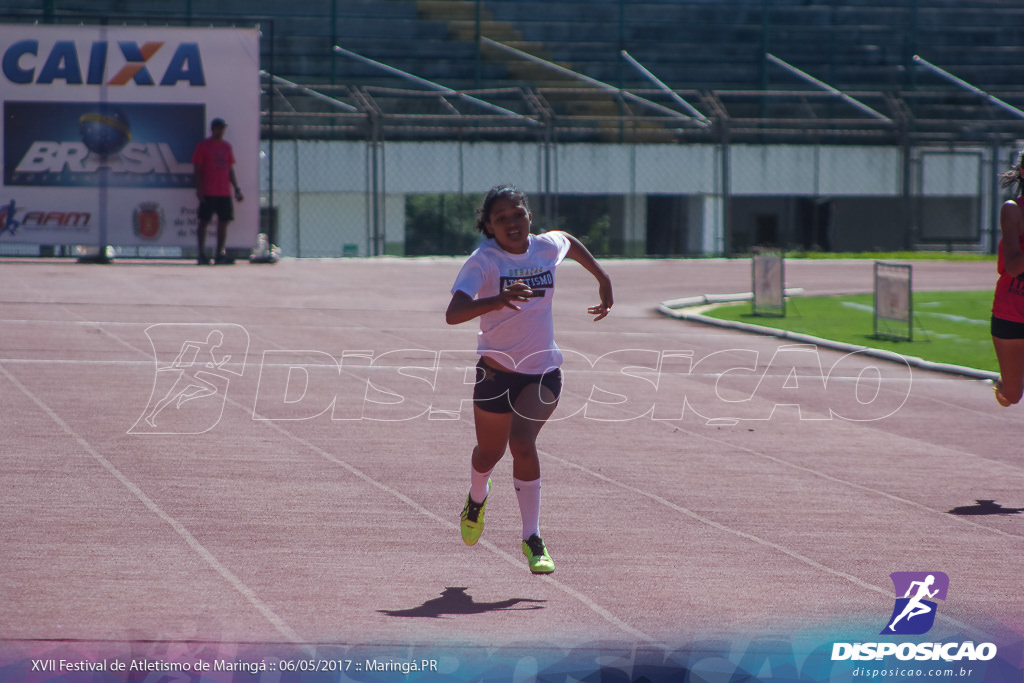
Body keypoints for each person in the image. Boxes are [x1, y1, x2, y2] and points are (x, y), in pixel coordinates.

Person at [445, 184, 613, 574]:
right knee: (489, 453)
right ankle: (476, 497)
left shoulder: (544, 248)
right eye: (501, 218)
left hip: (542, 372)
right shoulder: (483, 261)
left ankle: (532, 537)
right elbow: (453, 314)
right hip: (495, 374)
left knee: (521, 442)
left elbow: (568, 241)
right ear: (488, 225)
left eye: (517, 214)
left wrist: (602, 278)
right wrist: (497, 300)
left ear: (529, 216)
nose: (512, 223)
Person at [991, 150, 1024, 406]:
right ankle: (1001, 380)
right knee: (1011, 396)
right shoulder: (1013, 210)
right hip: (1012, 310)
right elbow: (1012, 266)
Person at [192, 118, 243, 265]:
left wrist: (236, 188)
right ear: (213, 129)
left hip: (224, 192)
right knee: (204, 222)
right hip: (208, 191)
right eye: (218, 128)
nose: (221, 132)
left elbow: (230, 169)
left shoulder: (227, 147)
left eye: (223, 129)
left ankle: (219, 253)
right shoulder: (203, 146)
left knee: (223, 222)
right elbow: (197, 170)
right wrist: (199, 190)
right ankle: (201, 254)